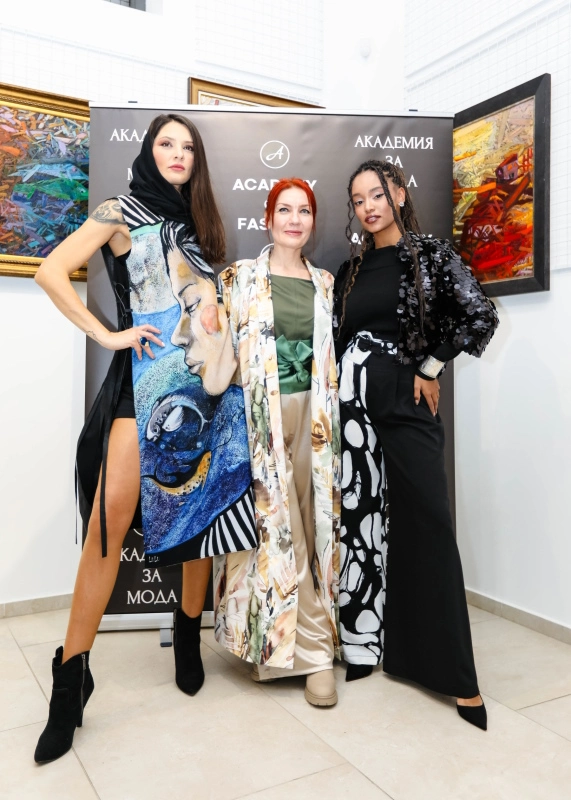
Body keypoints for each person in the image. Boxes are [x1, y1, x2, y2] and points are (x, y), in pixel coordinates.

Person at [33, 114, 257, 763]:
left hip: (206, 392)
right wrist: (107, 335)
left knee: (198, 515)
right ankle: (71, 680)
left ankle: (186, 634)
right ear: (148, 152)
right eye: (166, 143)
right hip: (142, 388)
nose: (178, 154)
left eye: (188, 147)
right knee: (108, 525)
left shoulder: (199, 226)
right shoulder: (119, 210)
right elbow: (52, 271)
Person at [333, 159, 499, 730]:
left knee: (428, 520)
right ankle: (364, 645)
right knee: (359, 519)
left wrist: (431, 365)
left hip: (407, 399)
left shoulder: (431, 254)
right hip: (352, 403)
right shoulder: (351, 269)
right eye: (359, 200)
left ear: (399, 195)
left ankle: (456, 677)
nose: (368, 207)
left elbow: (479, 316)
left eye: (377, 195)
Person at [214, 178, 341, 707]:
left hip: (315, 417)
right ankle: (311, 656)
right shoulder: (238, 277)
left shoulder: (326, 283)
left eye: (303, 211)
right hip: (257, 420)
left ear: (313, 220)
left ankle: (295, 646)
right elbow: (215, 350)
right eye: (284, 210)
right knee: (273, 530)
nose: (294, 219)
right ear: (267, 219)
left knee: (308, 527)